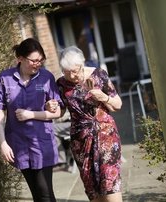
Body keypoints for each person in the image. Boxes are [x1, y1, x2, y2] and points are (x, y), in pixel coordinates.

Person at [0, 38, 63, 202]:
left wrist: (46, 107)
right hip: (18, 144)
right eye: (34, 60)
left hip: (42, 142)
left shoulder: (46, 77)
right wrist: (2, 142)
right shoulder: (5, 78)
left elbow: (58, 111)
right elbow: (0, 111)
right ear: (20, 58)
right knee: (36, 194)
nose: (38, 64)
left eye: (40, 60)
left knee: (45, 193)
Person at [47, 46, 123, 202]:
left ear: (82, 64)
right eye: (67, 73)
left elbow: (118, 104)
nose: (73, 76)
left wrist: (103, 97)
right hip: (80, 141)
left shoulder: (98, 75)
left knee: (109, 182)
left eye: (75, 71)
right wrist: (51, 106)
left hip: (105, 135)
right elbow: (60, 111)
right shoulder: (61, 84)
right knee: (92, 188)